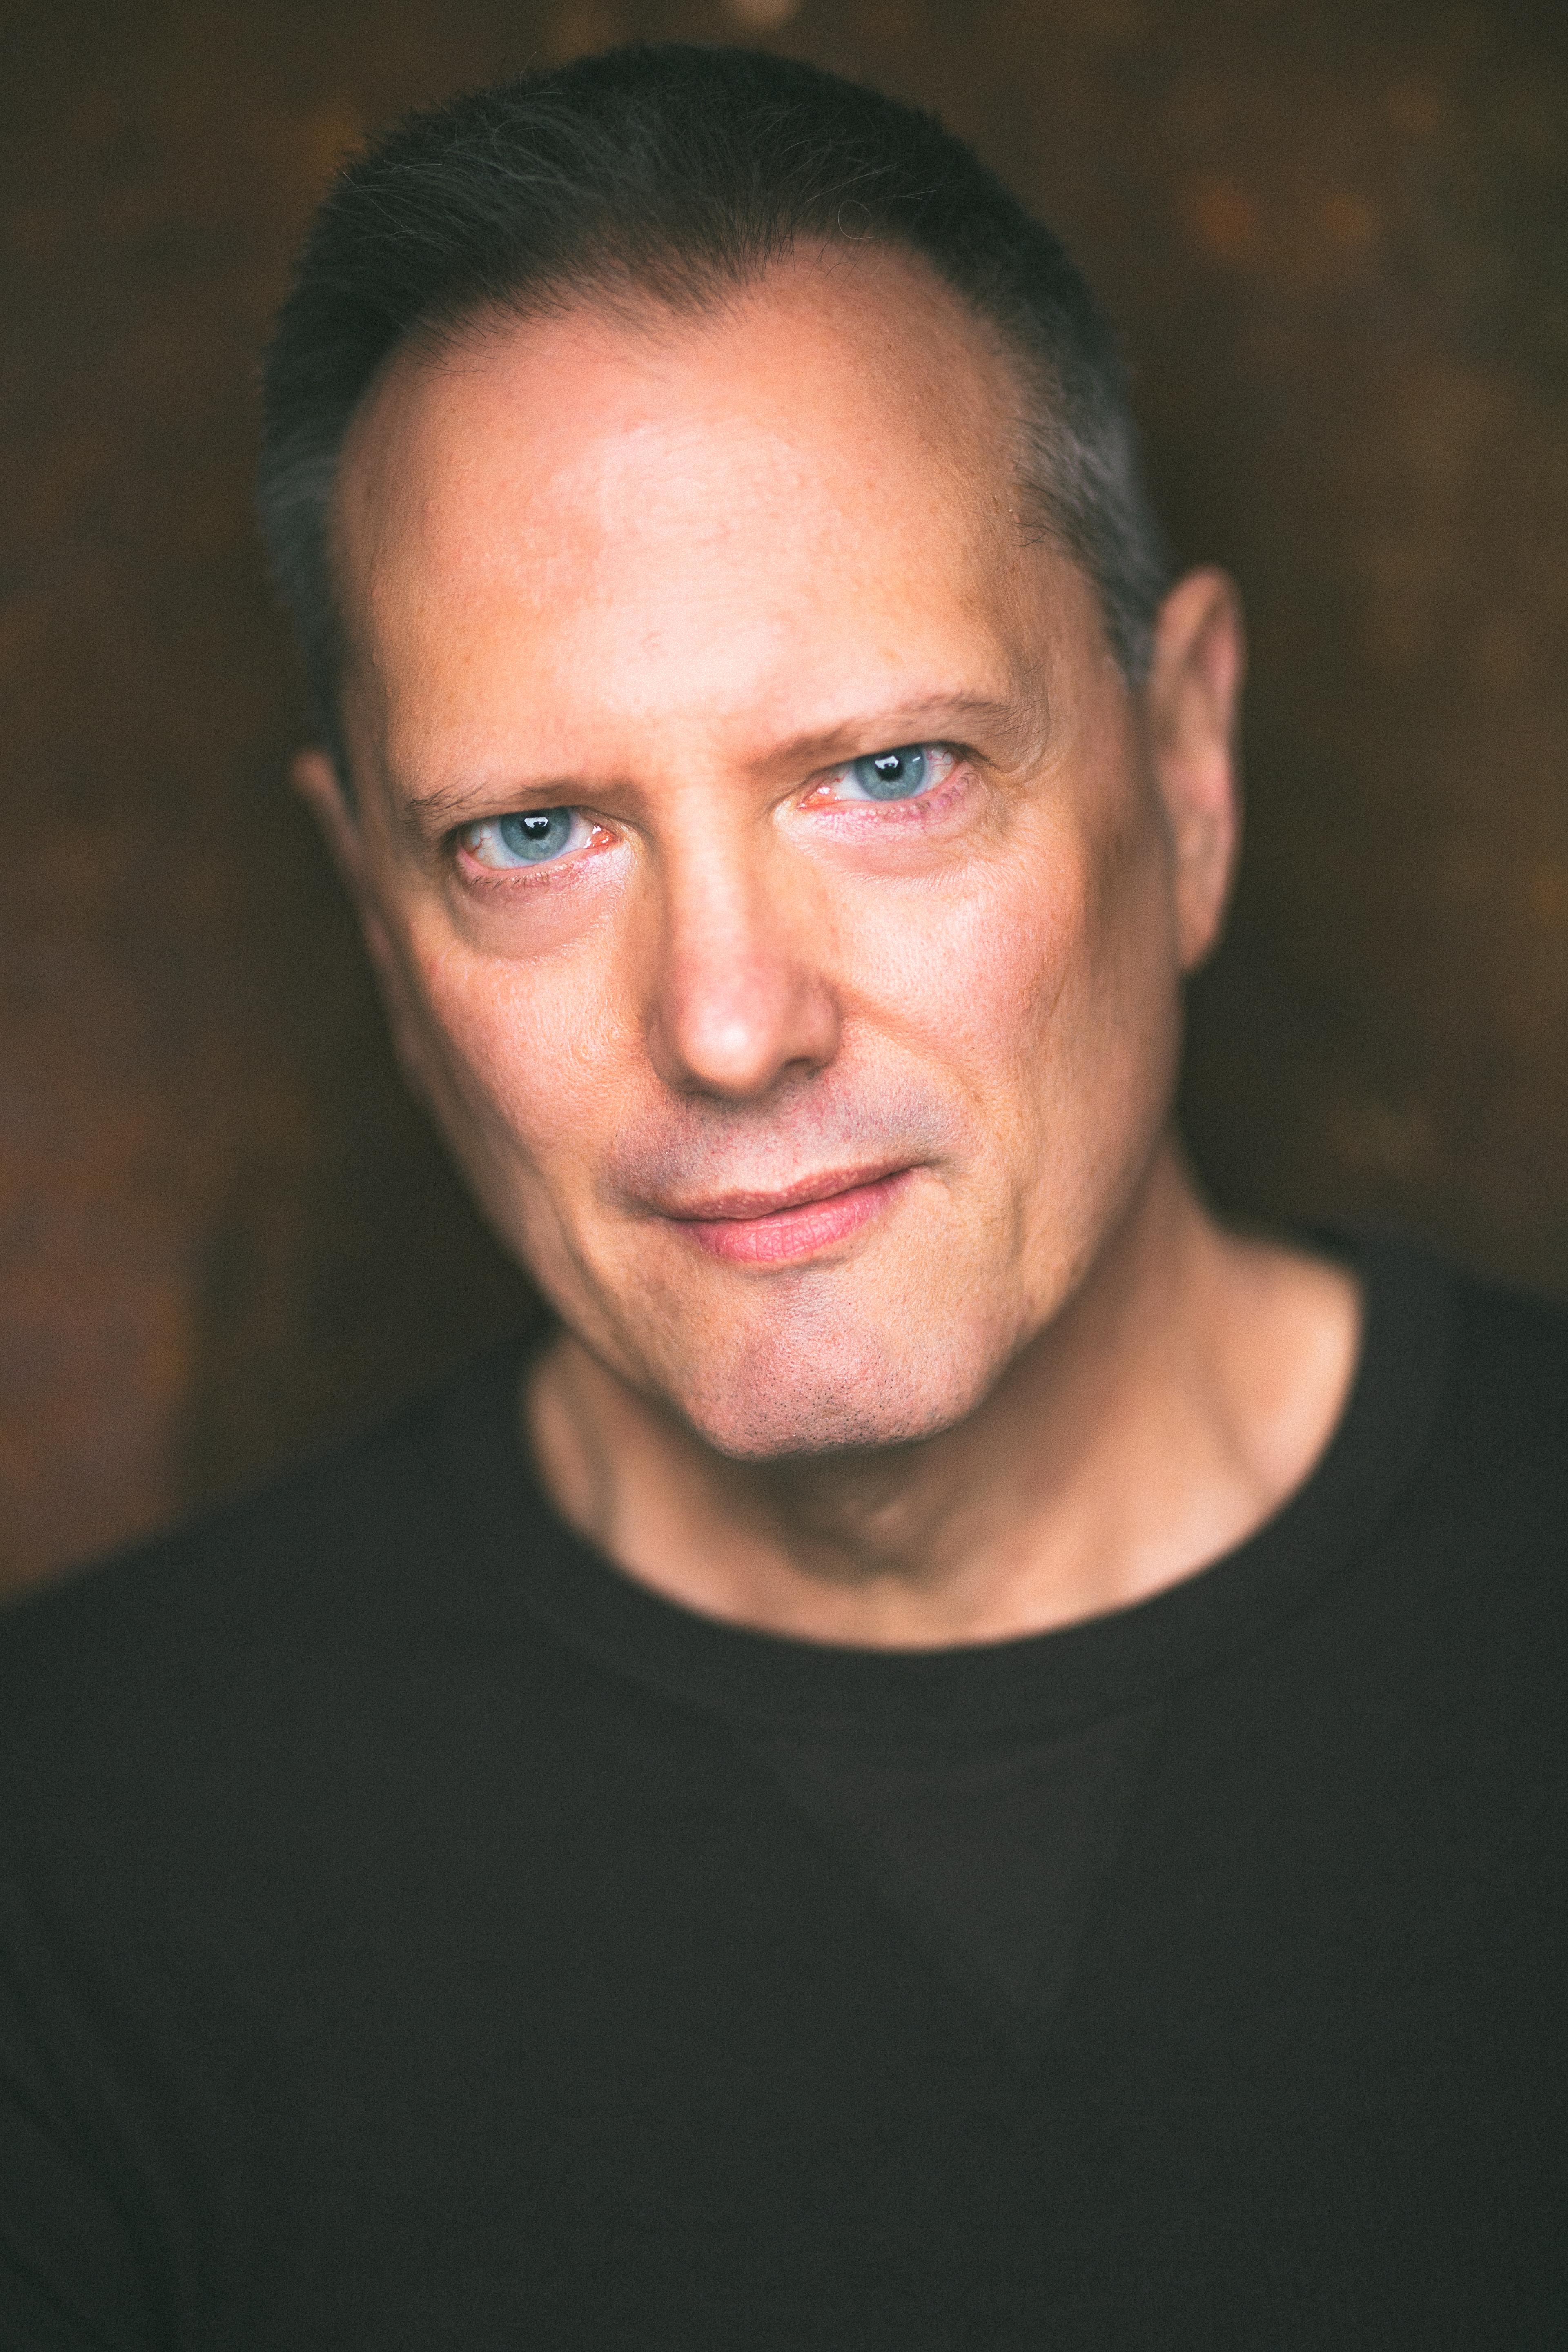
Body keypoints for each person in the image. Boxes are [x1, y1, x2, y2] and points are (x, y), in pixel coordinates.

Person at [1, 42, 1562, 2350]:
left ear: (1191, 766)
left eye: (892, 772)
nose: (730, 1024)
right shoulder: (70, 1857)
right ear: (379, 928)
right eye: (534, 835)